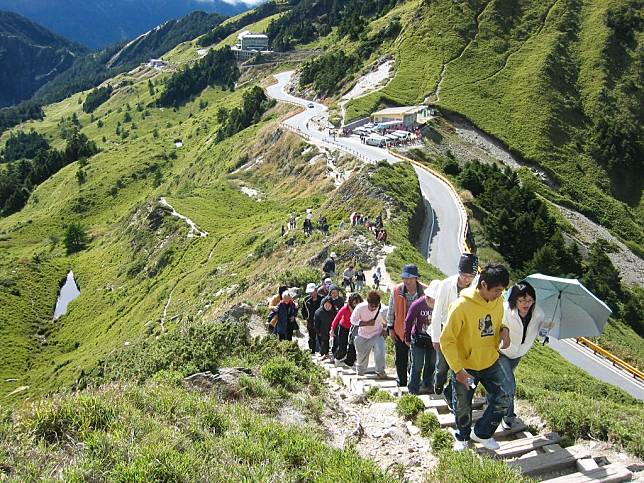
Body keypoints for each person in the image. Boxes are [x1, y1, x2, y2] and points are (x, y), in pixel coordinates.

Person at [440, 263, 511, 451]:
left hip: (490, 361)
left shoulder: (498, 301)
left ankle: (482, 433)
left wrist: (504, 330)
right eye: (496, 290)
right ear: (484, 285)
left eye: (502, 290)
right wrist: (458, 370)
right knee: (463, 405)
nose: (499, 294)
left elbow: (498, 323)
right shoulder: (460, 306)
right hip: (466, 366)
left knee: (504, 396)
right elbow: (446, 340)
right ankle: (462, 436)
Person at [499, 281, 551, 429]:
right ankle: (508, 416)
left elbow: (540, 334)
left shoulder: (539, 314)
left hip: (518, 354)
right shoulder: (506, 310)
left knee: (503, 383)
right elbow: (497, 326)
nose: (526, 304)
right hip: (501, 351)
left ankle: (494, 402)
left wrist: (545, 332)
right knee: (510, 385)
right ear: (515, 299)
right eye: (521, 300)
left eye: (529, 300)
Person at [432, 253, 479, 402]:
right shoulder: (445, 285)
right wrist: (436, 338)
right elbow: (437, 312)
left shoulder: (476, 287)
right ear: (458, 272)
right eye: (464, 275)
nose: (466, 279)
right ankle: (438, 382)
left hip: (464, 336)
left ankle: (451, 394)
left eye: (470, 276)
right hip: (446, 332)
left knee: (458, 367)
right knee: (442, 366)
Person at [386, 264, 425, 387]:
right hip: (400, 330)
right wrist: (390, 328)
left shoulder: (425, 291)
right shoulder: (397, 290)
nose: (407, 281)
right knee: (400, 359)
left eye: (410, 278)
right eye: (405, 278)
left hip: (420, 331)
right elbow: (391, 311)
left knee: (416, 360)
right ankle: (402, 382)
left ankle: (414, 383)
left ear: (416, 278)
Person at [404, 280, 441, 395]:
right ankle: (413, 388)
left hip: (433, 340)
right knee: (417, 365)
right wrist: (407, 337)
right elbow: (409, 320)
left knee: (431, 364)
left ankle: (427, 384)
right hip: (419, 338)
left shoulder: (442, 305)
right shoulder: (418, 304)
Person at [351, 291, 388, 378]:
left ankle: (380, 371)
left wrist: (385, 329)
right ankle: (360, 372)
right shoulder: (360, 307)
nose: (373, 308)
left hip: (377, 334)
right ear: (368, 302)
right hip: (363, 334)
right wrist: (365, 323)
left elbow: (388, 320)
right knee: (361, 355)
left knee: (380, 351)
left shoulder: (383, 309)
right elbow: (353, 320)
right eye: (371, 306)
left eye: (376, 306)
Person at [330, 293, 363, 367]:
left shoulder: (362, 308)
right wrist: (332, 329)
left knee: (353, 346)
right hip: (344, 327)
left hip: (355, 328)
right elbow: (337, 318)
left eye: (358, 302)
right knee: (342, 346)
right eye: (355, 303)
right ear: (351, 302)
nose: (357, 305)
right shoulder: (346, 308)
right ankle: (337, 358)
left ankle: (349, 362)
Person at [301, 283, 322, 354]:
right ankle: (312, 350)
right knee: (311, 336)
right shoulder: (306, 300)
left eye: (312, 292)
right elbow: (303, 310)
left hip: (320, 322)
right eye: (309, 292)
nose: (311, 294)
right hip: (310, 321)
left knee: (321, 336)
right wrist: (306, 317)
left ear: (316, 290)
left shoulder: (322, 299)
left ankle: (322, 352)